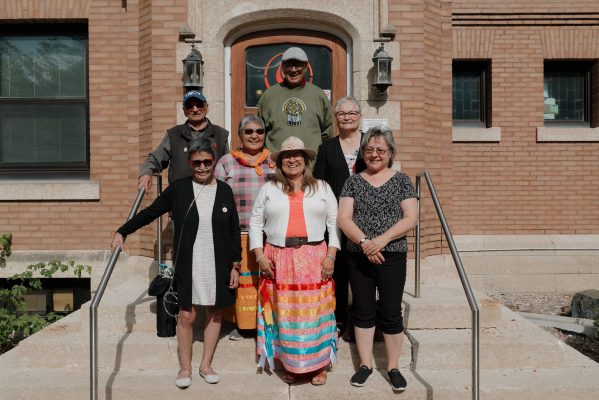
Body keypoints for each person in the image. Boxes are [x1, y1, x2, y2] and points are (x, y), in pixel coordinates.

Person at [112, 138, 241, 388]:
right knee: (186, 315)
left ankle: (206, 365)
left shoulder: (225, 190)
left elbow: (234, 230)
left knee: (215, 313)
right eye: (197, 163)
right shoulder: (179, 189)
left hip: (219, 262)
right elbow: (150, 212)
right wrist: (122, 231)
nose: (202, 167)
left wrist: (236, 264)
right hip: (189, 262)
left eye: (207, 161)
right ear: (190, 164)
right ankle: (185, 368)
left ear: (214, 161)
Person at [249, 136, 340, 386]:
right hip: (278, 257)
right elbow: (255, 223)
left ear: (306, 159)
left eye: (297, 154)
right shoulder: (269, 188)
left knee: (315, 313)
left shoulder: (322, 187)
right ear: (279, 162)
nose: (292, 159)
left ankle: (318, 365)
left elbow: (334, 225)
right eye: (287, 156)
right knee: (285, 313)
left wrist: (331, 255)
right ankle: (291, 364)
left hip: (314, 256)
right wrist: (259, 256)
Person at [337, 127, 417, 392]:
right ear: (363, 152)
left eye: (381, 150)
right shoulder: (353, 182)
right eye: (369, 149)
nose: (374, 154)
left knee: (391, 311)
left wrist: (381, 240)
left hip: (392, 255)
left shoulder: (402, 181)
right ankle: (365, 364)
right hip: (358, 256)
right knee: (363, 309)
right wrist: (364, 243)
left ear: (390, 153)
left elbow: (411, 218)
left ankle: (393, 367)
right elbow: (344, 218)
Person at [214, 115, 276, 339]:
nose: (254, 135)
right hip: (237, 233)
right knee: (242, 284)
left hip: (269, 235)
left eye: (259, 131)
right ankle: (242, 325)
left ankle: (266, 323)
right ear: (240, 135)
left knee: (267, 280)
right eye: (248, 131)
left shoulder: (274, 162)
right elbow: (216, 197)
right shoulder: (227, 162)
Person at [313, 96, 366, 338]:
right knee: (340, 269)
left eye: (352, 113)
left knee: (363, 269)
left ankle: (363, 320)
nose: (347, 117)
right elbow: (319, 183)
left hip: (367, 217)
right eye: (342, 113)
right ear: (336, 118)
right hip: (335, 219)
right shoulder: (327, 148)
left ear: (359, 115)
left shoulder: (371, 143)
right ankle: (339, 319)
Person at [138, 90, 229, 191]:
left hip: (212, 195)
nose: (195, 109)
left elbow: (228, 167)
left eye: (199, 105)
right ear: (185, 111)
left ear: (206, 107)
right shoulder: (174, 134)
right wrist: (146, 174)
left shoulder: (221, 134)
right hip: (181, 196)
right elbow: (155, 159)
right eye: (189, 106)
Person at [258, 47, 333, 153]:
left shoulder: (318, 95)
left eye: (298, 65)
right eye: (288, 65)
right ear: (282, 67)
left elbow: (327, 133)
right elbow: (259, 132)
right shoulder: (268, 95)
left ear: (306, 67)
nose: (293, 69)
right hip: (275, 165)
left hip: (311, 165)